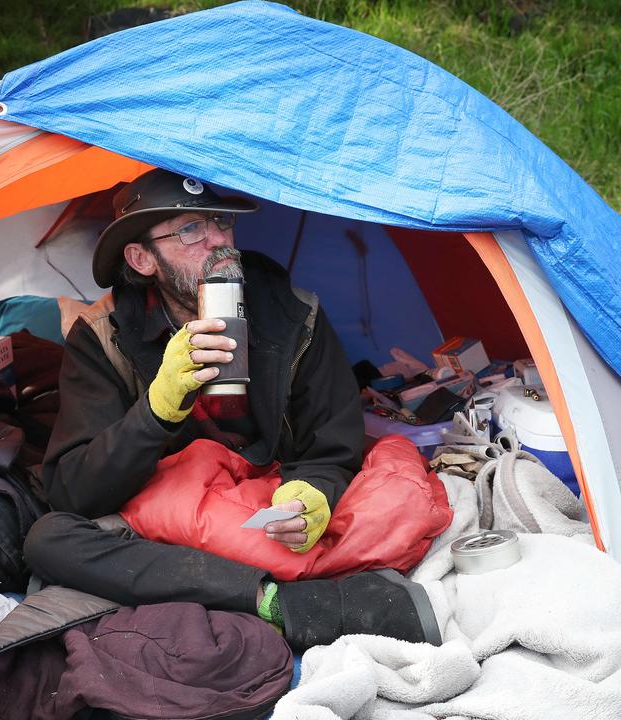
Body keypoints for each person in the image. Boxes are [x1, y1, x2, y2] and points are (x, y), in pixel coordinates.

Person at [23, 168, 441, 650]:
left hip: (268, 507)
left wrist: (312, 493)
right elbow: (74, 490)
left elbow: (332, 442)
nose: (219, 241)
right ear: (141, 258)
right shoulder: (103, 337)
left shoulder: (292, 312)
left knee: (395, 489)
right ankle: (277, 603)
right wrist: (155, 410)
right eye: (190, 230)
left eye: (221, 222)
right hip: (170, 518)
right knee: (48, 538)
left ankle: (245, 589)